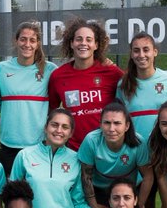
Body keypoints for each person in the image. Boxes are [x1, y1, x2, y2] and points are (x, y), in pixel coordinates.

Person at [0, 21, 57, 174]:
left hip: (40, 143)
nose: (27, 44)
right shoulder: (0, 69)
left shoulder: (50, 69)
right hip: (8, 143)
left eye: (32, 40)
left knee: (37, 193)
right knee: (10, 193)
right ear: (16, 41)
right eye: (23, 39)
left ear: (38, 43)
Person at [47, 18, 123, 150]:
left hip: (106, 148)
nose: (83, 43)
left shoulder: (112, 72)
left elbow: (132, 93)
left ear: (96, 45)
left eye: (89, 40)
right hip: (74, 149)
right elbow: (51, 111)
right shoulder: (58, 76)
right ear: (71, 43)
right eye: (78, 39)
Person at [116, 31, 167, 145]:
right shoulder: (123, 85)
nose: (141, 55)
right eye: (136, 50)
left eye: (146, 50)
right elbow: (119, 120)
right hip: (136, 149)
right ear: (131, 54)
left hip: (165, 148)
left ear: (155, 52)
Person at [77, 102, 147, 208]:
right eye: (107, 123)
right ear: (100, 124)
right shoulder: (91, 140)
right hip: (100, 189)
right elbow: (86, 177)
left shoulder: (138, 142)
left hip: (127, 190)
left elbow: (148, 176)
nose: (111, 128)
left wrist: (139, 204)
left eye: (117, 123)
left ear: (127, 126)